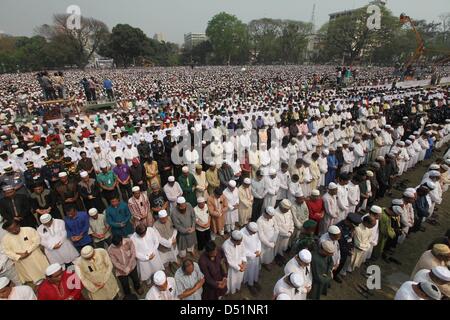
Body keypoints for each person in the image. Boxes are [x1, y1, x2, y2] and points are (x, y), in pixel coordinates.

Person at [1, 220, 49, 284]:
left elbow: (37, 240)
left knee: (45, 272)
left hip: (35, 255)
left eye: (15, 228)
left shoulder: (29, 230)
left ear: (18, 225)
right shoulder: (5, 239)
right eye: (10, 230)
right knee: (33, 276)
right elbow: (7, 251)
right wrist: (18, 256)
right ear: (7, 231)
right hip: (21, 261)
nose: (14, 231)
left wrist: (28, 252)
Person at [223, 230, 247, 295]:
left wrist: (244, 263)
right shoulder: (226, 245)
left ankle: (237, 287)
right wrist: (239, 268)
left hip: (241, 264)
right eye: (239, 242)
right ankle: (230, 291)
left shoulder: (240, 241)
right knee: (231, 280)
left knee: (239, 279)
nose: (241, 242)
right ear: (234, 240)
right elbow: (229, 261)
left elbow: (243, 253)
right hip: (231, 268)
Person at [242, 222, 262, 295]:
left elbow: (258, 241)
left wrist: (259, 250)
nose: (254, 234)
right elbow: (242, 249)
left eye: (255, 232)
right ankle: (250, 284)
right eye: (252, 233)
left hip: (256, 254)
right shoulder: (241, 234)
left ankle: (254, 280)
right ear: (248, 229)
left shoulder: (254, 232)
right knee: (249, 271)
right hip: (248, 258)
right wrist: (253, 255)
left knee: (255, 269)